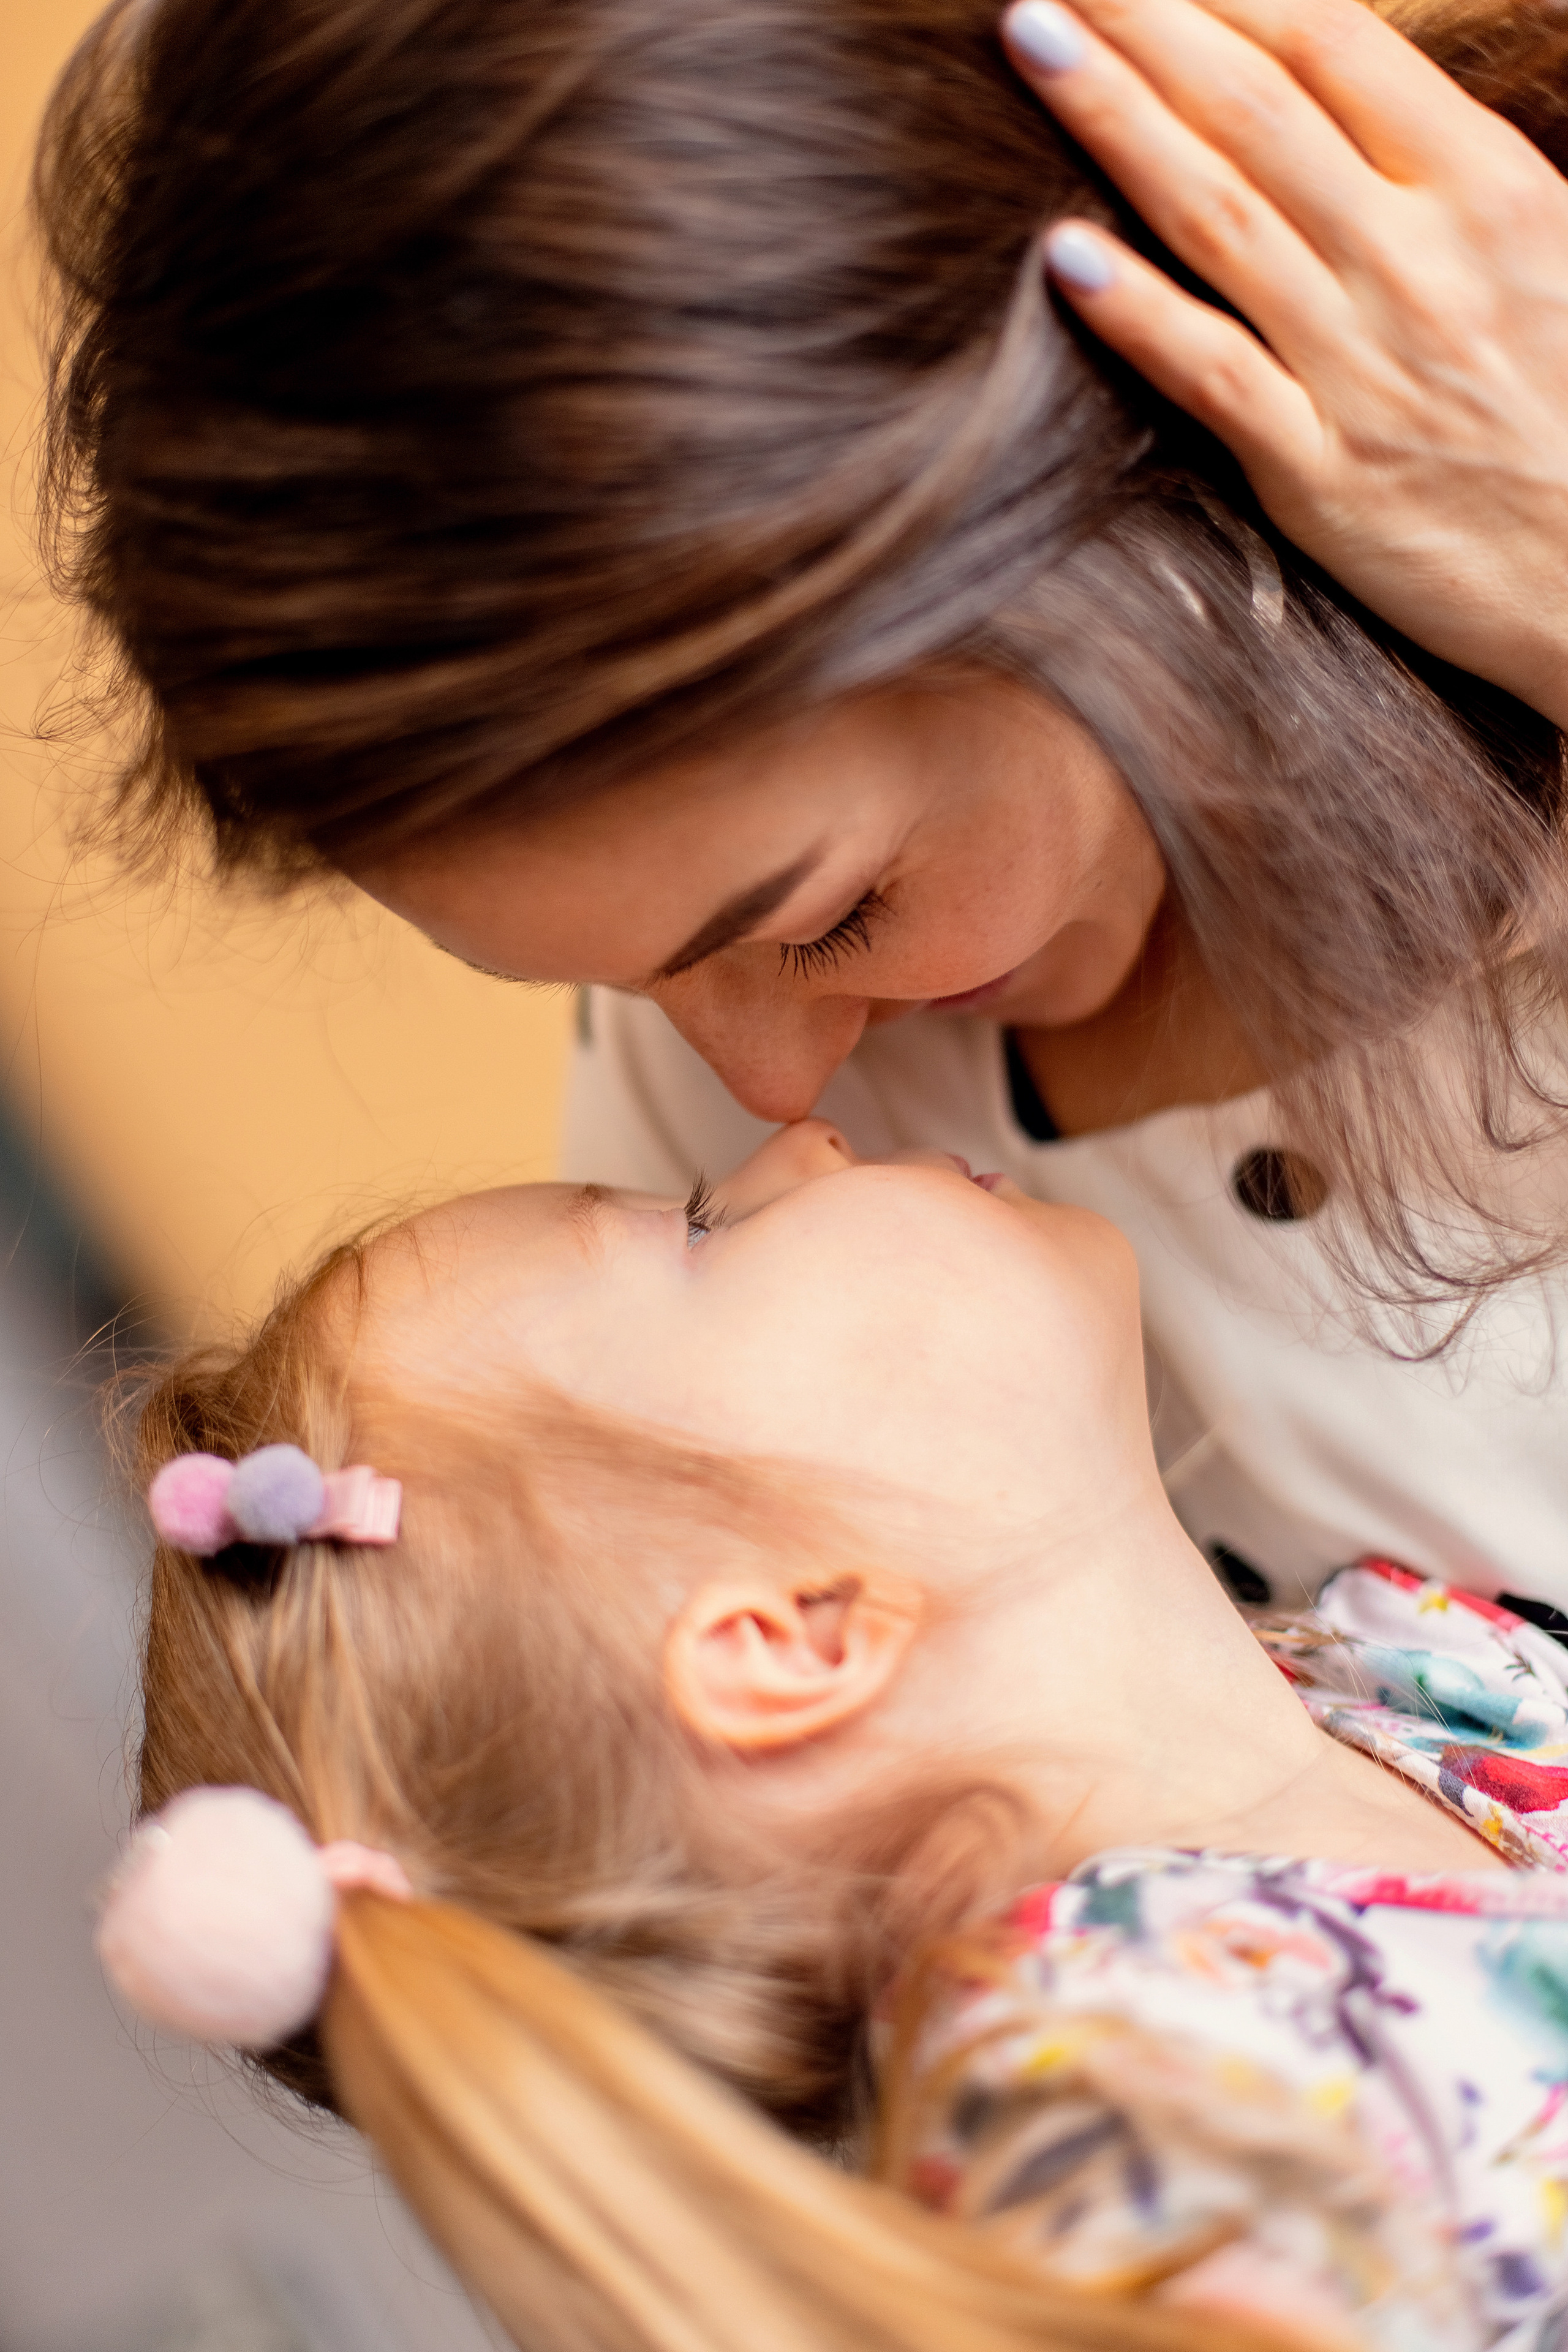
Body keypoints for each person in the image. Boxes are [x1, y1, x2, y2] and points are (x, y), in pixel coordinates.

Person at [34, 0, 1568, 1608]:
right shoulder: (771, 1193)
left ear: (1092, 514)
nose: (770, 1093)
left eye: (833, 914)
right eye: (622, 984)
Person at [100, 1123, 1568, 2352]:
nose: (796, 1136)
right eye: (703, 1224)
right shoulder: (1104, 2108)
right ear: (795, 1636)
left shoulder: (1419, 1682)